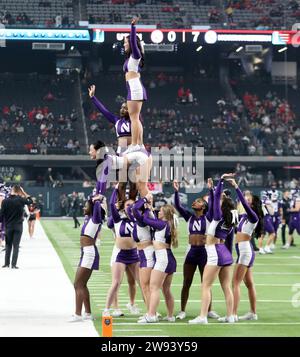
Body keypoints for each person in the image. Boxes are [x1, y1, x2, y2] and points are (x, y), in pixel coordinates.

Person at [189, 174, 237, 324]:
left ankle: (203, 316)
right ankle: (230, 316)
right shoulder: (227, 217)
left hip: (214, 252)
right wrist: (212, 189)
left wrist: (220, 182)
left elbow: (215, 201)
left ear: (222, 205)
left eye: (220, 201)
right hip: (224, 252)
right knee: (226, 287)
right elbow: (214, 202)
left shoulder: (218, 215)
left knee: (206, 286)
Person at [173, 179, 219, 320]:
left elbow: (213, 206)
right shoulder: (190, 217)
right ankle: (182, 310)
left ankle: (209, 310)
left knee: (206, 282)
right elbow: (178, 206)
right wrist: (176, 191)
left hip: (204, 252)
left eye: (198, 202)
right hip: (191, 252)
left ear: (204, 206)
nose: (194, 203)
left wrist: (211, 190)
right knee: (186, 281)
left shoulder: (208, 217)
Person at [88, 85, 138, 203]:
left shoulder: (135, 120)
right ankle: (102, 195)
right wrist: (93, 98)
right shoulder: (116, 121)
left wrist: (130, 87)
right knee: (117, 180)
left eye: (125, 107)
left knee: (133, 184)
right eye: (122, 107)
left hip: (132, 154)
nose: (123, 109)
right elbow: (104, 111)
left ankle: (133, 205)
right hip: (121, 155)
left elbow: (136, 104)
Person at [138, 202, 178, 324]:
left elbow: (145, 219)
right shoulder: (167, 224)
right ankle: (170, 316)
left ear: (165, 214)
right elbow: (153, 218)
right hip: (168, 257)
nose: (158, 212)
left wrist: (146, 209)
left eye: (160, 211)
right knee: (166, 289)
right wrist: (150, 209)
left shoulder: (162, 224)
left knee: (153, 287)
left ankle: (151, 315)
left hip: (163, 258)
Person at [103, 186, 140, 316]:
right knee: (116, 281)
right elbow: (110, 220)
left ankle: (132, 303)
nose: (130, 207)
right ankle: (114, 308)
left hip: (134, 252)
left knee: (134, 281)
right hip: (118, 250)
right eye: (128, 205)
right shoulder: (117, 218)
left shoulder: (137, 218)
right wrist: (115, 190)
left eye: (132, 205)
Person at [69, 193, 105, 322]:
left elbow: (96, 206)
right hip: (85, 252)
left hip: (89, 252)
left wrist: (97, 201)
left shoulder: (95, 218)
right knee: (82, 284)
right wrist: (93, 198)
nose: (84, 208)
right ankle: (88, 313)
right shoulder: (88, 218)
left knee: (78, 284)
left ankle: (78, 315)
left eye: (86, 206)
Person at [227, 179, 259, 321]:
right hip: (243, 250)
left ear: (251, 203)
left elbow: (243, 204)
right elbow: (234, 210)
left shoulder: (253, 217)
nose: (246, 199)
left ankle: (233, 314)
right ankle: (253, 313)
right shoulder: (243, 217)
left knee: (235, 283)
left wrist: (236, 187)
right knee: (249, 283)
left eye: (248, 199)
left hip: (245, 251)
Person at [122, 16, 147, 154]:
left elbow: (132, 40)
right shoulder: (130, 57)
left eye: (125, 42)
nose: (124, 44)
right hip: (132, 87)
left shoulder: (136, 55)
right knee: (135, 117)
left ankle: (135, 144)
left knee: (134, 118)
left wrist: (132, 27)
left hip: (135, 87)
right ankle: (140, 144)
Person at [0, 185, 33, 269]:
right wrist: (24, 192)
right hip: (18, 226)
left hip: (8, 226)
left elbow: (1, 215)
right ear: (19, 191)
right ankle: (13, 264)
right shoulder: (21, 200)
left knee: (8, 245)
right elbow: (30, 201)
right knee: (16, 246)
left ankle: (6, 263)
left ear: (11, 190)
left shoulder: (5, 201)